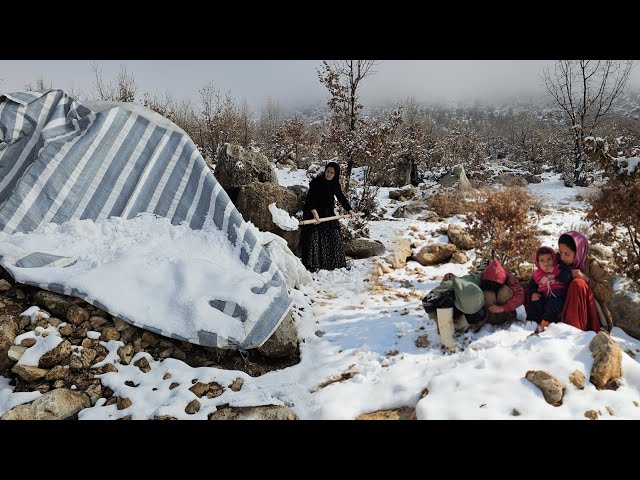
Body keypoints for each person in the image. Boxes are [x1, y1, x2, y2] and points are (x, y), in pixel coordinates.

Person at [423, 258, 524, 333]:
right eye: (488, 284)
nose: (491, 286)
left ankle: (508, 318)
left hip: (504, 313)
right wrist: (438, 325)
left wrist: (503, 308)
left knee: (504, 291)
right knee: (487, 294)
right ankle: (473, 322)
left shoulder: (508, 278)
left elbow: (520, 295)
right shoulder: (478, 278)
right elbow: (427, 300)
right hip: (485, 315)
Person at [300, 162, 357, 272]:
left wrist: (349, 210)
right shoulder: (316, 182)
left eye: (332, 173)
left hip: (327, 212)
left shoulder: (335, 184)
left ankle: (333, 262)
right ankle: (315, 263)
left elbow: (341, 197)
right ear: (325, 171)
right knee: (315, 236)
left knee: (333, 233)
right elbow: (310, 200)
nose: (329, 174)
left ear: (335, 174)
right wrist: (315, 214)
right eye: (328, 171)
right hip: (313, 211)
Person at [557, 231, 613, 332]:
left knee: (578, 284)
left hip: (588, 315)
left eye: (567, 254)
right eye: (561, 252)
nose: (562, 257)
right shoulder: (559, 261)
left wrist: (586, 279)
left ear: (578, 251)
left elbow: (606, 294)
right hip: (560, 306)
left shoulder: (591, 265)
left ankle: (572, 331)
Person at [526, 246, 572, 333]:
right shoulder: (536, 274)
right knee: (534, 304)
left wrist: (555, 271)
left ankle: (545, 323)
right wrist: (533, 293)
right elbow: (532, 286)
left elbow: (567, 278)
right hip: (542, 296)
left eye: (549, 259)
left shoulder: (560, 268)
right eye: (542, 260)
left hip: (557, 296)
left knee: (553, 306)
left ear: (554, 259)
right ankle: (531, 322)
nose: (546, 263)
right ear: (537, 262)